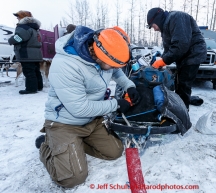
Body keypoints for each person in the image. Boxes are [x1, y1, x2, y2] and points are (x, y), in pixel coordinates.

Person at [37, 25, 140, 188]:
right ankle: (47, 146)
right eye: (111, 64)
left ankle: (73, 147)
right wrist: (116, 105)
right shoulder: (66, 65)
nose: (114, 68)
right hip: (65, 123)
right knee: (72, 179)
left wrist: (129, 85)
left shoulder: (102, 53)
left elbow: (115, 71)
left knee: (114, 152)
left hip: (91, 120)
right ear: (99, 55)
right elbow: (79, 109)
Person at [146, 7, 207, 109]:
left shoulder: (177, 17)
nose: (155, 29)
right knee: (178, 83)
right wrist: (161, 60)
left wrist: (164, 61)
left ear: (157, 19)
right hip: (184, 57)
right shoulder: (165, 28)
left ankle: (183, 116)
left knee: (183, 86)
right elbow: (168, 49)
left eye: (153, 26)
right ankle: (178, 108)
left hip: (192, 54)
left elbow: (181, 44)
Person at [8, 10, 43, 94]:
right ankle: (38, 86)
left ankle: (31, 89)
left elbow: (19, 37)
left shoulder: (24, 27)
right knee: (35, 70)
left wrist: (11, 40)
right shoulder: (35, 28)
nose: (17, 18)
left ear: (23, 17)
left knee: (28, 71)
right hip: (36, 53)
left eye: (18, 16)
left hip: (27, 53)